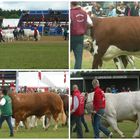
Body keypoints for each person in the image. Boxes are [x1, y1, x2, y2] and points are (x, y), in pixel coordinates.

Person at [71, 2, 93, 69]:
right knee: (79, 59)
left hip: (71, 36)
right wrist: (83, 27)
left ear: (71, 4)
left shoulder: (71, 12)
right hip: (80, 37)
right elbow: (91, 24)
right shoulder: (84, 12)